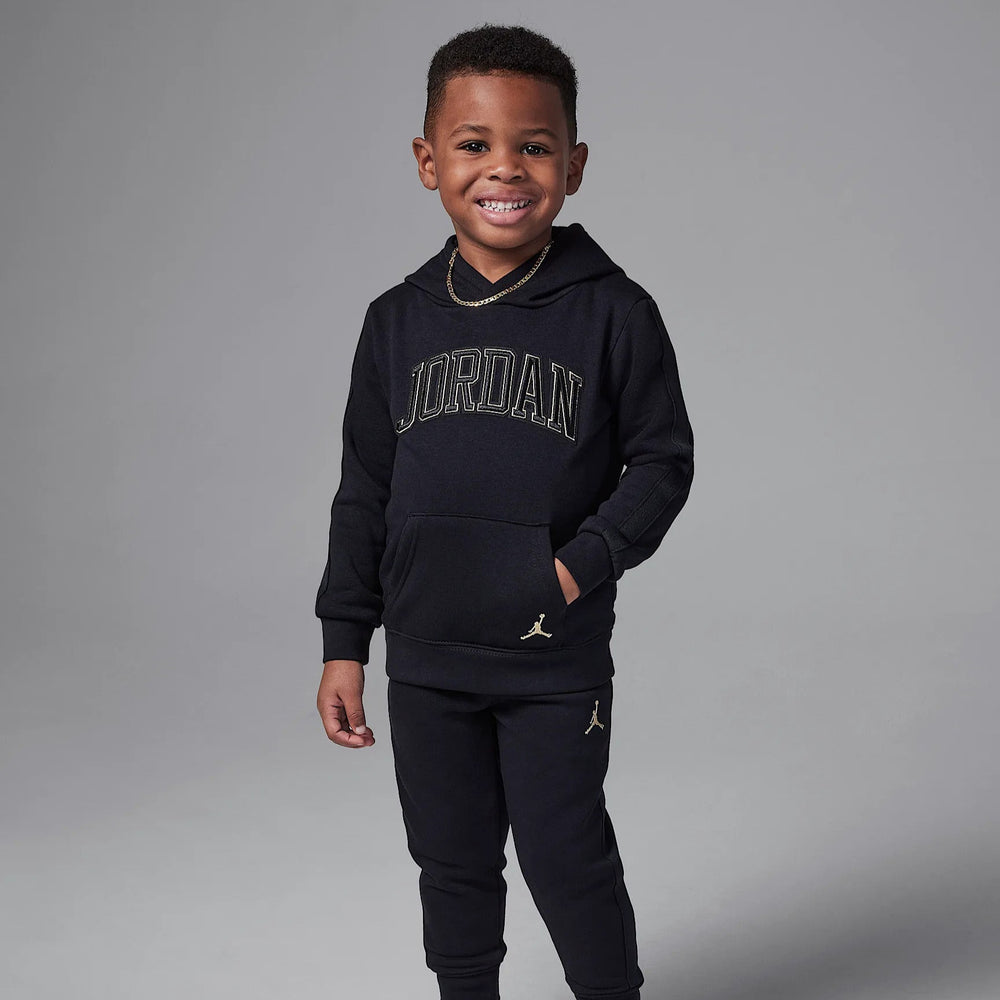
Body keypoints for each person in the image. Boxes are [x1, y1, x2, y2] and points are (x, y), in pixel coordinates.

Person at [315, 23, 695, 1000]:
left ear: (573, 164)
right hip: (427, 660)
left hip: (550, 660)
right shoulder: (395, 321)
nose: (504, 168)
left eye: (533, 145)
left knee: (568, 862)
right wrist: (344, 642)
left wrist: (574, 568)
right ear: (427, 161)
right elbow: (364, 489)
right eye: (474, 143)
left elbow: (662, 465)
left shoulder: (615, 313)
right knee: (450, 866)